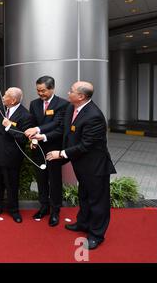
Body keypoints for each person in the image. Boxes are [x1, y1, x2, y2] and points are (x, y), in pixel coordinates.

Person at [46, 81, 116, 250]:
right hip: (81, 165)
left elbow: (86, 145)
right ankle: (83, 223)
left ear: (81, 96)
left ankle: (96, 235)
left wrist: (61, 154)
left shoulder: (94, 116)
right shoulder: (72, 108)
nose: (68, 92)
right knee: (84, 196)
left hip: (95, 167)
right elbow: (65, 130)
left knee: (97, 201)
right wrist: (41, 135)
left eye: (71, 90)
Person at [24, 76, 70, 226]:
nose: (40, 93)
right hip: (38, 149)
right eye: (38, 90)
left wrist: (39, 133)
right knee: (41, 179)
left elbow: (58, 126)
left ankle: (55, 210)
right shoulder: (34, 104)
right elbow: (32, 123)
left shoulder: (63, 104)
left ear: (52, 88)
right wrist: (34, 140)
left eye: (43, 90)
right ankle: (44, 206)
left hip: (53, 149)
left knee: (54, 180)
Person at [0, 87, 33, 223]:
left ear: (13, 100)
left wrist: (9, 126)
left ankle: (14, 210)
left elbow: (24, 138)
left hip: (12, 156)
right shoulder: (2, 109)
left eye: (5, 95)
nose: (2, 97)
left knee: (11, 184)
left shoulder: (25, 115)